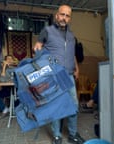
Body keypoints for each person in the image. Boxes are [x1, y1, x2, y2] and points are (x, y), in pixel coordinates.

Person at [33, 4, 85, 144]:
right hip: (54, 75)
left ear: (70, 18)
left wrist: (77, 68)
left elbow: (72, 53)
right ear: (57, 15)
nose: (64, 18)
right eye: (62, 14)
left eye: (67, 16)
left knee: (74, 105)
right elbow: (38, 48)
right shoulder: (47, 31)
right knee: (57, 106)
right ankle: (57, 135)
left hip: (68, 75)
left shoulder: (71, 35)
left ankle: (73, 134)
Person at [0, 55, 17, 119]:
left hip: (16, 89)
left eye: (11, 59)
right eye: (7, 59)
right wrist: (4, 67)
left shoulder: (16, 68)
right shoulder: (3, 70)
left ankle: (16, 110)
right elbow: (2, 80)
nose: (9, 60)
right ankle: (5, 109)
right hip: (6, 90)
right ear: (5, 61)